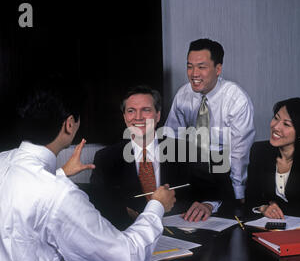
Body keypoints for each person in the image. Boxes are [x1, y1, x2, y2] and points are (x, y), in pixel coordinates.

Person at [0, 78, 176, 261]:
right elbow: (128, 256)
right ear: (69, 124)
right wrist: (157, 205)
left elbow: (26, 203)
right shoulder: (59, 194)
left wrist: (60, 174)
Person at [90, 85, 222, 228]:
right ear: (125, 117)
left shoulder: (186, 150)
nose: (138, 117)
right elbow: (97, 206)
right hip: (130, 238)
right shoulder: (105, 158)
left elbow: (216, 191)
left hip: (182, 235)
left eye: (146, 110)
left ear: (158, 115)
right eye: (131, 111)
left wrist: (208, 205)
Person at [164, 38, 255, 207]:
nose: (194, 74)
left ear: (218, 69)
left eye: (201, 67)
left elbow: (239, 152)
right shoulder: (183, 94)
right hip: (192, 167)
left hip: (223, 170)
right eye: (189, 66)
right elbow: (172, 137)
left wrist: (238, 193)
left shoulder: (236, 98)